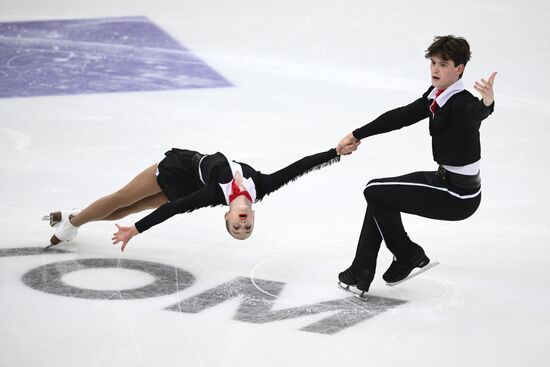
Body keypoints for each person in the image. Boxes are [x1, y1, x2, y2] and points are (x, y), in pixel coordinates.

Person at [336, 35, 497, 297]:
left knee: (374, 190)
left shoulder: (462, 102)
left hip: (458, 195)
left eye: (443, 64)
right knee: (379, 197)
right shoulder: (437, 95)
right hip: (445, 181)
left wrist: (487, 102)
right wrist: (357, 134)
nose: (435, 69)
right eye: (433, 62)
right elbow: (401, 116)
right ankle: (360, 272)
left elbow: (475, 114)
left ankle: (407, 254)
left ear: (459, 69)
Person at [44, 143, 360, 251]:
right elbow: (299, 168)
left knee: (128, 209)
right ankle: (73, 221)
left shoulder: (212, 194)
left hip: (183, 182)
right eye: (246, 229)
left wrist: (135, 230)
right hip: (183, 166)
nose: (242, 226)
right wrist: (336, 153)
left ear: (226, 216)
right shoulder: (261, 187)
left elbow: (173, 209)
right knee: (122, 197)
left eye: (236, 229)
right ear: (251, 218)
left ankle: (78, 216)